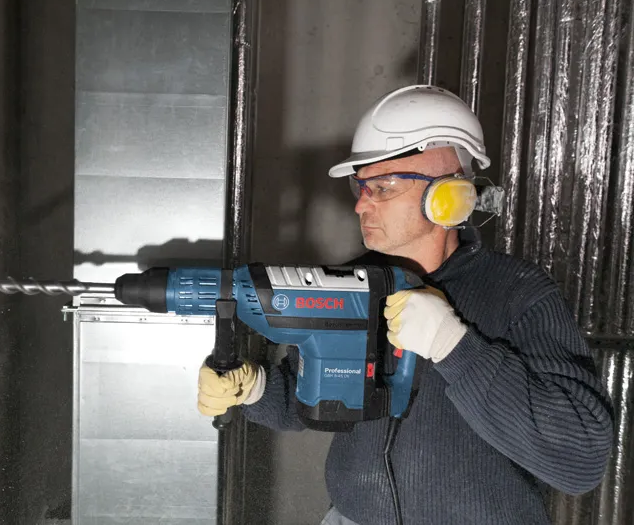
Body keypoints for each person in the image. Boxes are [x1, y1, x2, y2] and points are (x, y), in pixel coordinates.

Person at [196, 85, 614, 525]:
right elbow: (314, 398)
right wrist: (256, 388)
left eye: (382, 187)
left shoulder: (518, 292)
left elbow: (580, 458)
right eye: (361, 186)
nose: (360, 204)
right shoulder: (354, 284)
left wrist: (455, 345)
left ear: (448, 195)